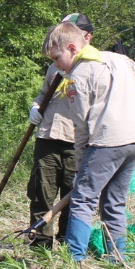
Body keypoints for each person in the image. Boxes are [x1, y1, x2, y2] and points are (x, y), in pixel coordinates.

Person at [45, 21, 135, 262]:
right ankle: (118, 258)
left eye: (57, 58)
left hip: (107, 142)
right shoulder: (119, 59)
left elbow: (79, 126)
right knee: (114, 202)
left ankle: (75, 259)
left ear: (71, 48)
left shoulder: (78, 77)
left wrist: (80, 163)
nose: (56, 65)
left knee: (82, 199)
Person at [25, 13, 93, 247]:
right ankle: (40, 245)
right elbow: (44, 94)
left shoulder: (95, 67)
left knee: (72, 196)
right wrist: (36, 105)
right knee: (41, 192)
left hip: (78, 141)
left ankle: (68, 245)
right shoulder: (55, 65)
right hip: (48, 136)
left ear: (86, 36)